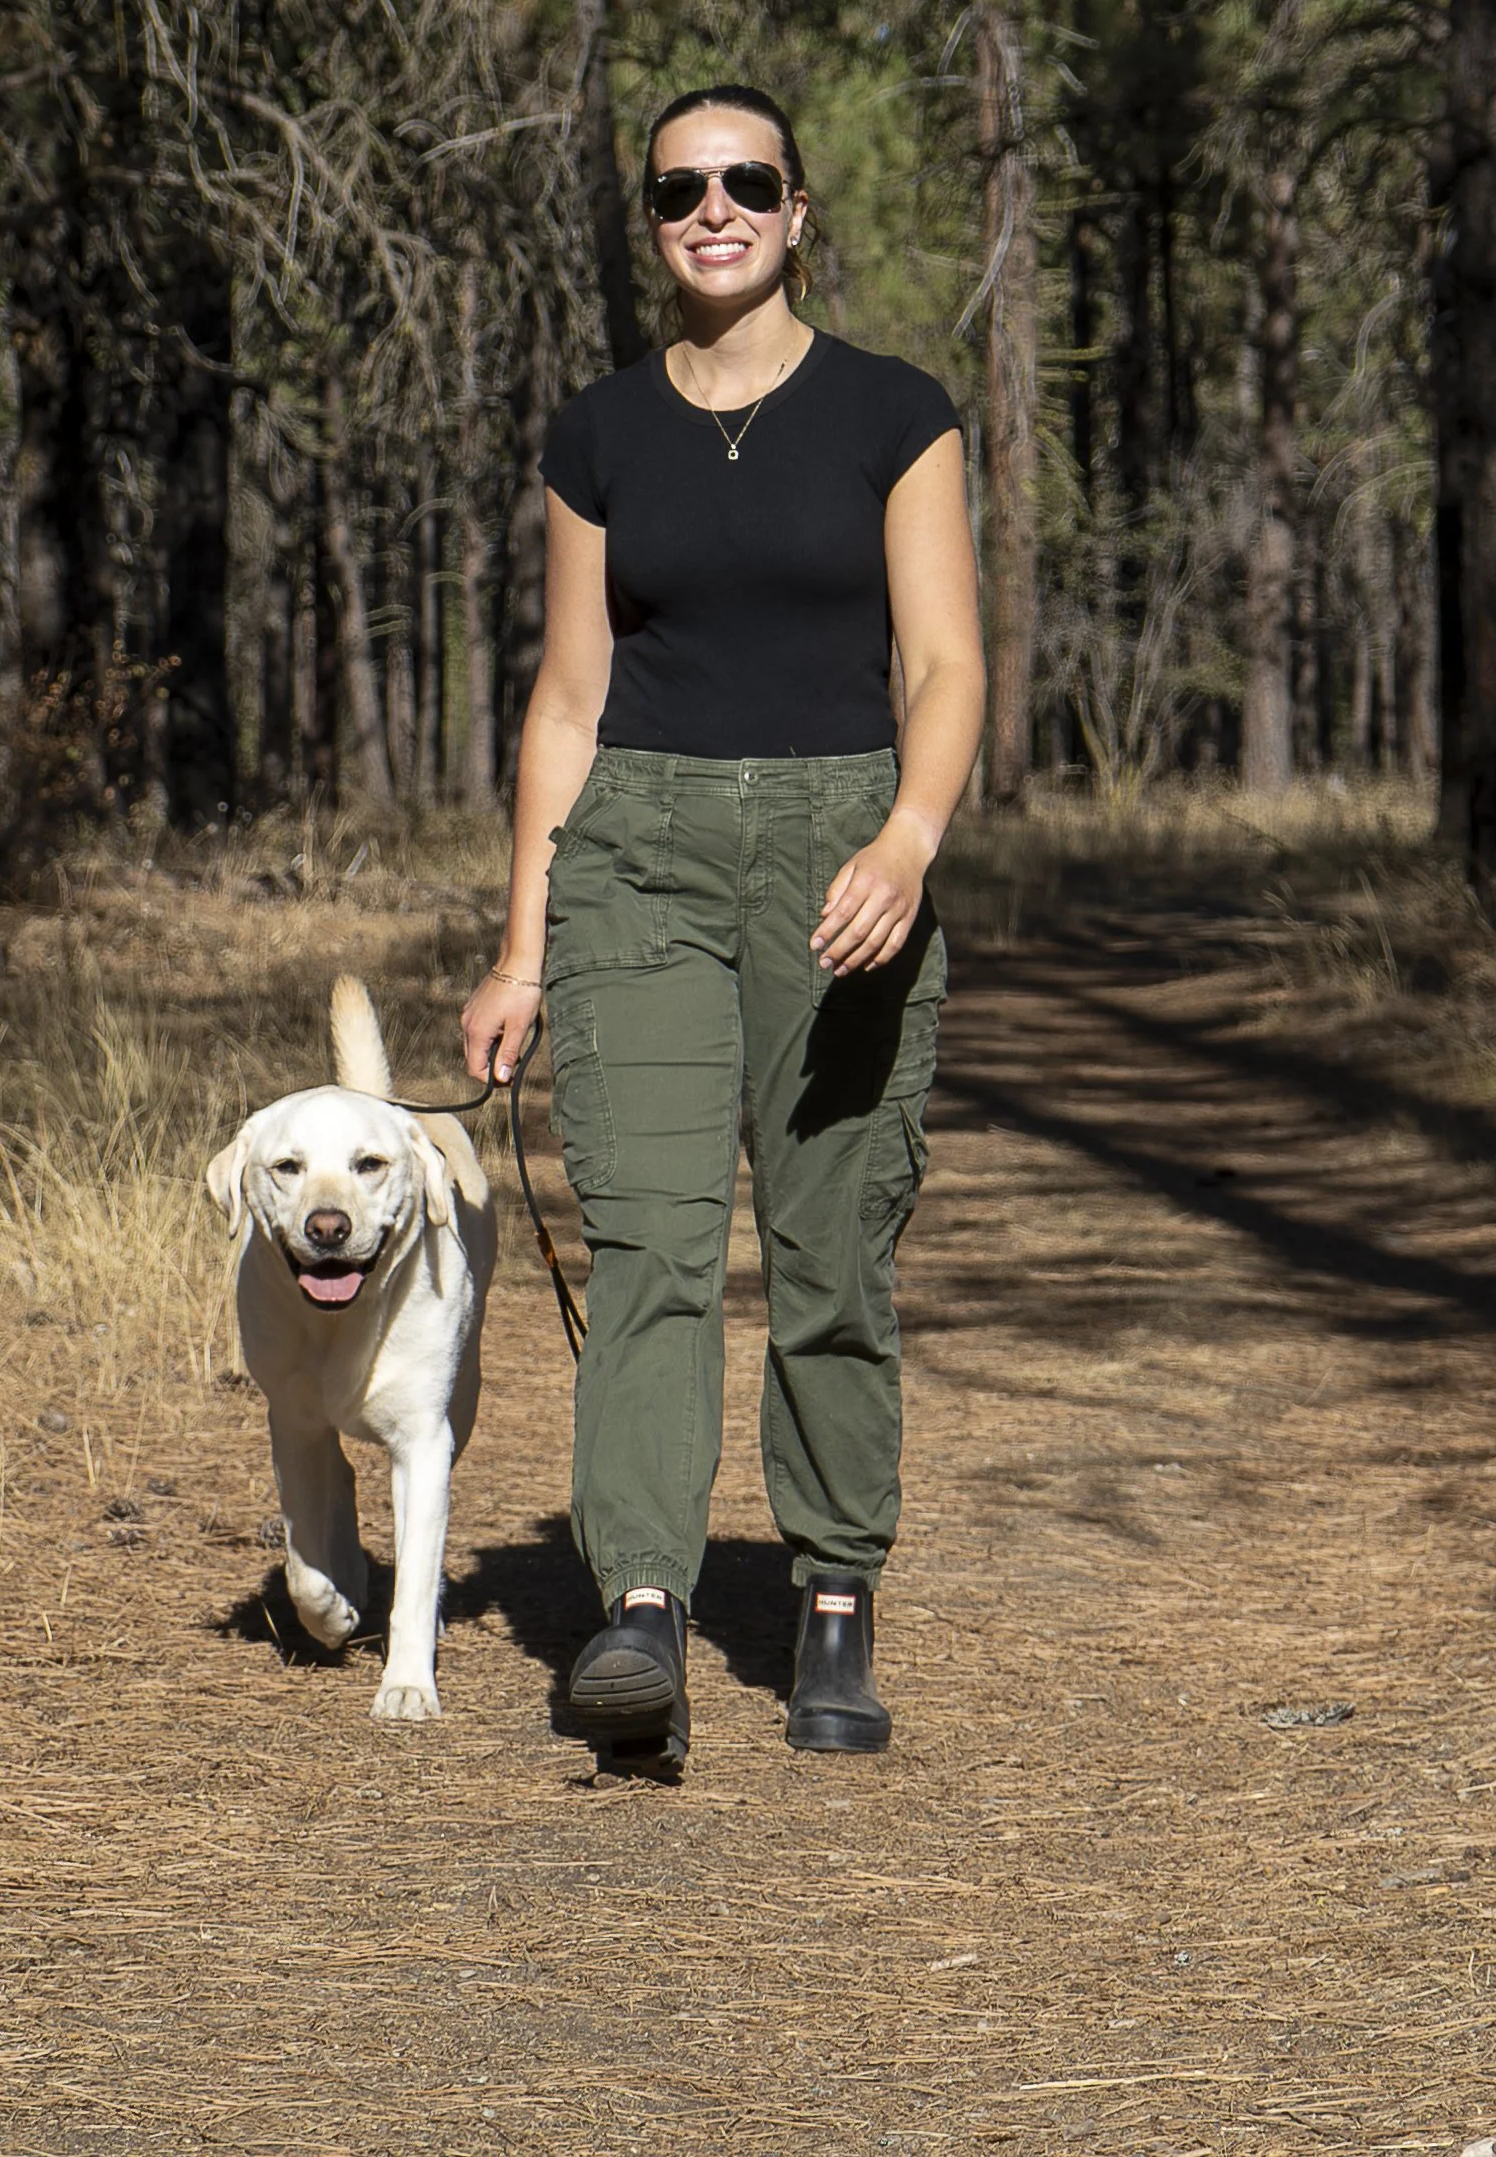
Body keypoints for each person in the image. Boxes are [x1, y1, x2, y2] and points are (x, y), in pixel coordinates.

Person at [459, 85, 984, 1774]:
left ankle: (832, 1590)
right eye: (681, 187)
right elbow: (564, 699)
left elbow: (945, 666)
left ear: (796, 209)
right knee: (655, 1250)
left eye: (745, 181)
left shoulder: (892, 414)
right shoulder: (599, 433)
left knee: (831, 1248)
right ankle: (637, 1609)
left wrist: (906, 839)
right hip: (642, 859)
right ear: (653, 219)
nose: (714, 208)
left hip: (842, 849)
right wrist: (524, 946)